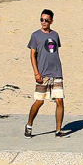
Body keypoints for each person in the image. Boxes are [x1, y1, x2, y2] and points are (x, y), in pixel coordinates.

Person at [26, 9, 66, 138]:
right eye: (42, 20)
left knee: (59, 100)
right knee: (39, 101)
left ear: (51, 21)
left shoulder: (55, 35)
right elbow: (32, 55)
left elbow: (54, 52)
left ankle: (58, 130)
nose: (44, 22)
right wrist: (36, 73)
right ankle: (29, 125)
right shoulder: (35, 36)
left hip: (56, 72)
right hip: (43, 74)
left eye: (46, 20)